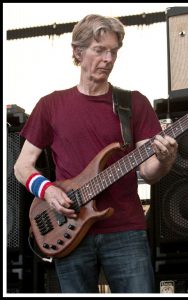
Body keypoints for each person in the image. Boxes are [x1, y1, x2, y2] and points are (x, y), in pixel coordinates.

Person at [14, 14, 178, 293]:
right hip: (69, 229)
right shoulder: (51, 105)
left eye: (113, 51)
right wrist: (49, 191)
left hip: (125, 229)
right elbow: (22, 167)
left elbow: (148, 172)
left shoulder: (133, 103)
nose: (108, 58)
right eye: (99, 50)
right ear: (78, 52)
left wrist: (165, 160)